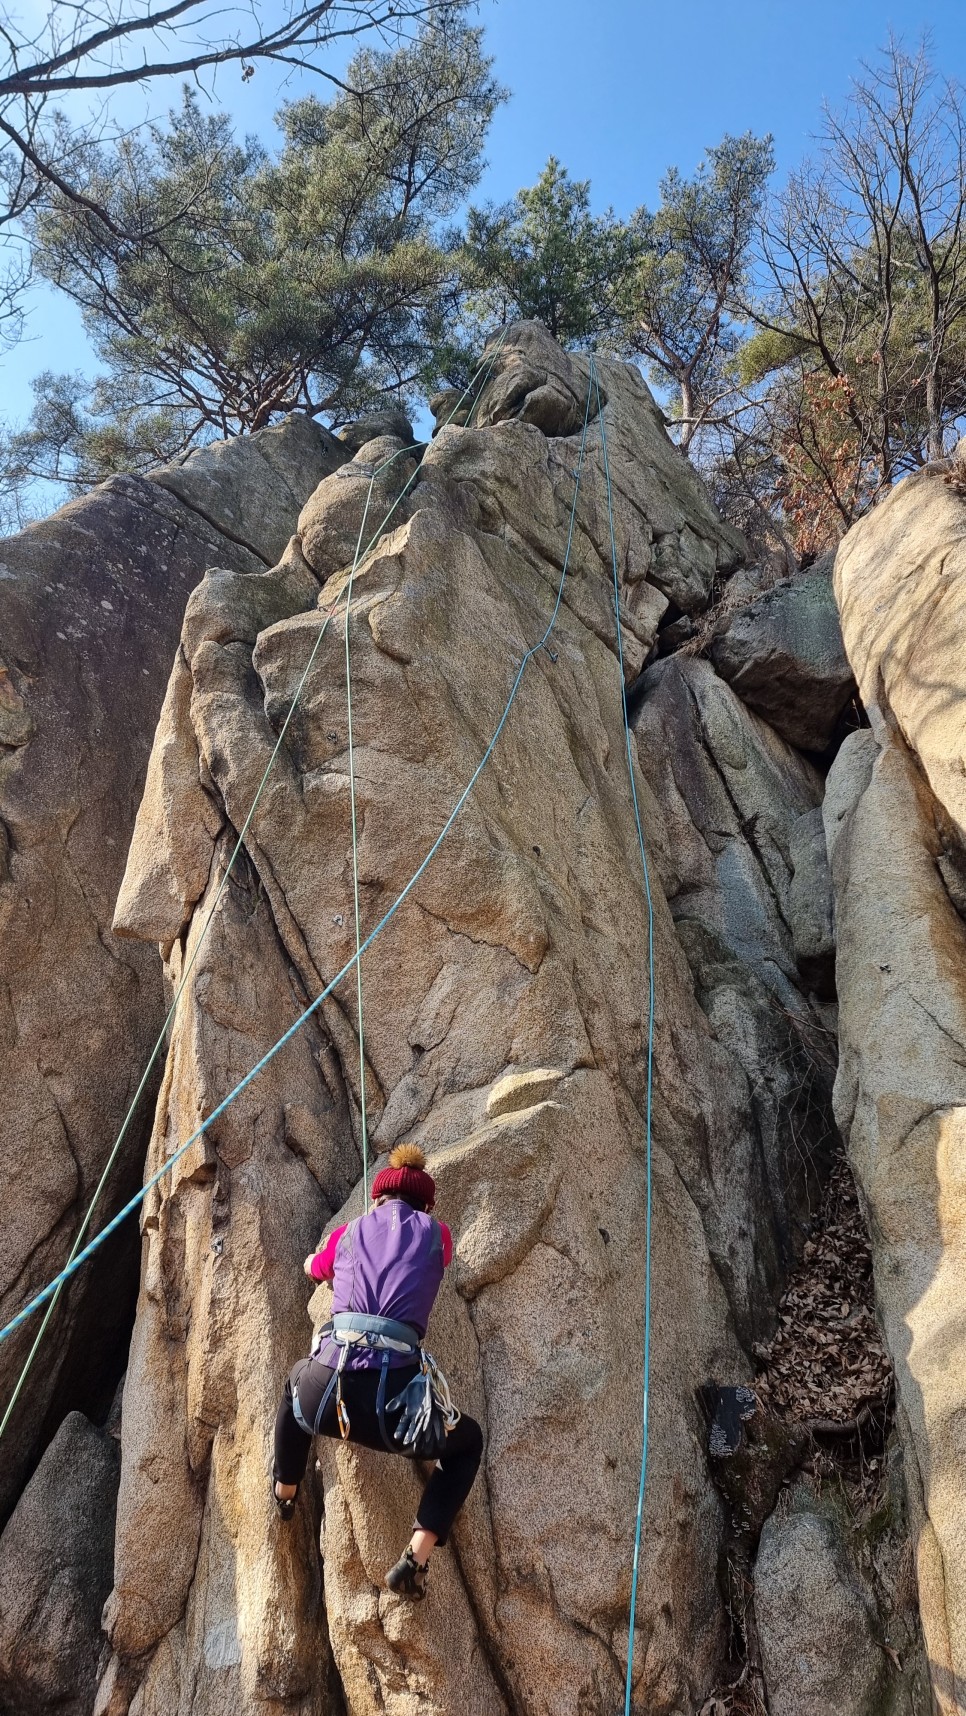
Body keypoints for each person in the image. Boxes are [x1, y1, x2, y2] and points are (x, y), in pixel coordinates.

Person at [273, 1142, 484, 1599]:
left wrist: (318, 1264)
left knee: (293, 1391)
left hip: (326, 1396)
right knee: (467, 1444)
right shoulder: (437, 1235)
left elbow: (318, 1267)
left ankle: (285, 1493)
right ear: (428, 1206)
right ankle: (415, 1558)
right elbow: (434, 1263)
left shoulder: (349, 1231)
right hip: (393, 1417)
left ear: (376, 1199)